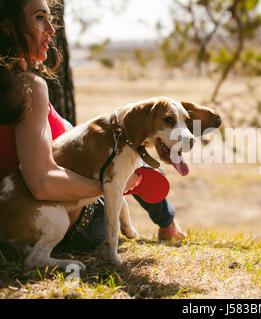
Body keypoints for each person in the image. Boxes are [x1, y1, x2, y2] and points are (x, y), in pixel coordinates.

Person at [0, 0, 186, 253]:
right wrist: (112, 185)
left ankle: (162, 216)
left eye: (49, 18)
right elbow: (42, 182)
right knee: (128, 152)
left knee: (96, 135)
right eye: (39, 17)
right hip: (54, 216)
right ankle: (167, 223)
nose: (51, 30)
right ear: (9, 27)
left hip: (29, 201)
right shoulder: (28, 87)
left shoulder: (12, 84)